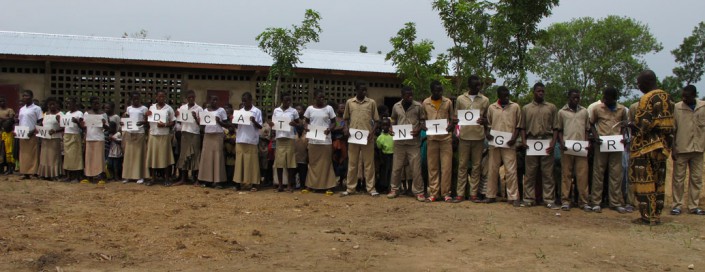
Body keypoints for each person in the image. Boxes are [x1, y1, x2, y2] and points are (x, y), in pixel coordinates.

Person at [628, 70, 675, 224]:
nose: (639, 86)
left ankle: (647, 216)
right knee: (658, 182)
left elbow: (643, 125)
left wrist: (631, 126)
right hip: (662, 147)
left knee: (644, 182)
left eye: (639, 83)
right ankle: (656, 215)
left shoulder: (647, 98)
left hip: (646, 147)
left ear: (646, 82)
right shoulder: (668, 97)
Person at [589, 87, 629, 213]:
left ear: (614, 98)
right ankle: (596, 202)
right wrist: (596, 137)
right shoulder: (597, 108)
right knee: (598, 173)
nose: (605, 100)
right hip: (602, 144)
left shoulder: (622, 109)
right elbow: (591, 124)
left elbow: (624, 125)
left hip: (616, 145)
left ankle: (615, 202)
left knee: (616, 174)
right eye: (604, 97)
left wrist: (622, 137)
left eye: (608, 98)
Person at [520, 83, 558, 208]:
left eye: (542, 91)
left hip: (547, 141)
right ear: (533, 92)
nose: (541, 93)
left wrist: (553, 143)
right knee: (530, 172)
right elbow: (523, 127)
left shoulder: (551, 107)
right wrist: (524, 141)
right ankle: (528, 198)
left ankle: (548, 199)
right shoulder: (526, 108)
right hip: (532, 142)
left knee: (547, 173)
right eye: (538, 91)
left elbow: (556, 127)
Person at [340, 81, 380, 197]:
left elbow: (376, 120)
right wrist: (346, 128)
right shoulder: (349, 102)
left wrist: (372, 133)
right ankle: (350, 188)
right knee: (352, 163)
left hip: (367, 138)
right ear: (356, 90)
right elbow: (346, 118)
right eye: (361, 90)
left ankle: (371, 188)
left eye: (365, 90)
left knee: (369, 164)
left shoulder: (371, 103)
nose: (364, 92)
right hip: (353, 137)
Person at [387, 86, 426, 201]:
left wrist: (418, 130)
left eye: (411, 94)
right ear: (402, 95)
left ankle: (419, 191)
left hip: (413, 143)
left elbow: (423, 121)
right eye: (408, 95)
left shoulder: (418, 106)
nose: (410, 97)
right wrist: (391, 128)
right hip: (399, 142)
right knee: (396, 168)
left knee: (416, 169)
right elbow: (393, 119)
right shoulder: (396, 106)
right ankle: (394, 189)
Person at [485, 86, 522, 206]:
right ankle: (490, 195)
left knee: (511, 170)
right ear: (499, 96)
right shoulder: (492, 107)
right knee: (492, 169)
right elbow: (488, 124)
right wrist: (488, 134)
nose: (506, 97)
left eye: (508, 95)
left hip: (509, 142)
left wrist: (514, 138)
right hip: (494, 143)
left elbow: (518, 125)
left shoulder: (515, 107)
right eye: (504, 95)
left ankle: (513, 196)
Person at [671, 85, 705, 216]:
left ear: (694, 95)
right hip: (682, 148)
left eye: (687, 96)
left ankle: (693, 206)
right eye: (683, 96)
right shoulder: (677, 108)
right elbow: (672, 130)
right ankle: (677, 205)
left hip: (698, 148)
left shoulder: (703, 107)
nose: (684, 98)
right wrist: (673, 148)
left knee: (696, 178)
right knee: (678, 179)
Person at [455, 75, 490, 202]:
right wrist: (456, 130)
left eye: (479, 85)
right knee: (462, 166)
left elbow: (488, 119)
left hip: (478, 137)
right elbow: (456, 117)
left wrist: (484, 121)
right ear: (469, 85)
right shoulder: (460, 99)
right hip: (464, 136)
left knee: (476, 166)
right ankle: (460, 193)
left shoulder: (485, 100)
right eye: (476, 85)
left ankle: (473, 194)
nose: (478, 87)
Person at [556, 89, 591, 211]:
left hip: (581, 148)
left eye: (578, 98)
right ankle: (565, 200)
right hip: (567, 147)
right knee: (566, 175)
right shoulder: (561, 112)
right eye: (573, 98)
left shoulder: (584, 112)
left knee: (582, 175)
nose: (576, 100)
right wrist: (561, 142)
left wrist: (586, 142)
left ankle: (583, 201)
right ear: (568, 98)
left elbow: (587, 129)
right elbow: (559, 129)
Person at [422, 81, 456, 202]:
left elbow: (453, 118)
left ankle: (446, 193)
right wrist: (424, 127)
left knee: (446, 167)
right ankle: (434, 193)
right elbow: (423, 119)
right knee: (433, 167)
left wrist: (451, 126)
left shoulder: (448, 102)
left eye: (441, 90)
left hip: (445, 139)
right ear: (432, 91)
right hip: (432, 139)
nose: (439, 93)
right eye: (437, 91)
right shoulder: (425, 103)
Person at [303, 89, 338, 194]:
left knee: (326, 163)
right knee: (313, 163)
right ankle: (311, 185)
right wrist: (306, 128)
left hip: (325, 141)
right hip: (313, 141)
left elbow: (334, 123)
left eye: (323, 97)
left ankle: (328, 186)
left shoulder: (329, 108)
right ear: (315, 98)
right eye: (319, 97)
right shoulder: (309, 109)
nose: (322, 99)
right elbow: (306, 122)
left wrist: (329, 129)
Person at [196, 95, 229, 188]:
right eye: (212, 100)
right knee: (207, 158)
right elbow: (202, 126)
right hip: (208, 136)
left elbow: (227, 125)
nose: (214, 101)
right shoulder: (205, 111)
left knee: (218, 158)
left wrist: (219, 122)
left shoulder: (221, 111)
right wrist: (197, 120)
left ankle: (218, 181)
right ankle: (207, 180)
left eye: (216, 100)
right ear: (209, 101)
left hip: (217, 136)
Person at [144, 89, 176, 186]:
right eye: (159, 96)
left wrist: (165, 125)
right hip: (153, 134)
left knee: (165, 157)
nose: (161, 98)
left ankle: (166, 179)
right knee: (154, 157)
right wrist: (146, 116)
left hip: (164, 135)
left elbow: (173, 122)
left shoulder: (168, 108)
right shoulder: (152, 107)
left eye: (163, 96)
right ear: (156, 97)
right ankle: (153, 178)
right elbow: (147, 120)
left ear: (165, 97)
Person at [233, 92, 263, 191]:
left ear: (251, 100)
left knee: (252, 163)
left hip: (251, 140)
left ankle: (254, 183)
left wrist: (254, 121)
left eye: (246, 100)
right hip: (241, 139)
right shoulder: (239, 111)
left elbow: (260, 126)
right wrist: (234, 121)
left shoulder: (257, 111)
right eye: (243, 100)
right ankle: (238, 183)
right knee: (239, 163)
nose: (244, 102)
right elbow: (236, 126)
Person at [270, 92, 300, 192]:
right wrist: (271, 125)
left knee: (290, 162)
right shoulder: (276, 110)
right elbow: (274, 123)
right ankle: (280, 185)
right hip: (279, 138)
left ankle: (290, 185)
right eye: (286, 100)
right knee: (279, 162)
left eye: (289, 100)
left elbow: (298, 123)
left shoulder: (293, 111)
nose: (288, 102)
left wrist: (294, 124)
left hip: (290, 137)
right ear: (281, 100)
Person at [175, 90, 203, 185]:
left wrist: (195, 118)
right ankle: (183, 178)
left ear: (195, 97)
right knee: (183, 155)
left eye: (192, 97)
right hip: (185, 133)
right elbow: (179, 121)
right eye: (189, 97)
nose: (191, 99)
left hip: (195, 134)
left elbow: (201, 124)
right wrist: (177, 116)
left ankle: (195, 178)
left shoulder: (199, 109)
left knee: (195, 155)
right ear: (186, 98)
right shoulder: (182, 107)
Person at [122, 92, 149, 184]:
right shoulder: (129, 108)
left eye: (137, 99)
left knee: (139, 155)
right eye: (134, 99)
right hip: (130, 133)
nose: (136, 101)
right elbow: (126, 118)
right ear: (131, 100)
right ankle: (128, 176)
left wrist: (143, 123)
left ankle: (140, 176)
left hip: (139, 133)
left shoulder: (144, 109)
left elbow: (147, 121)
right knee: (129, 155)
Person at [81, 96, 109, 184]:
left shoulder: (103, 114)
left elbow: (107, 128)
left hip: (99, 138)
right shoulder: (86, 114)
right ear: (91, 104)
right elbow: (84, 127)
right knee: (89, 158)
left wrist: (104, 124)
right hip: (89, 137)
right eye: (94, 103)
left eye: (98, 103)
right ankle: (89, 175)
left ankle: (100, 175)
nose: (96, 105)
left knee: (99, 158)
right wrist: (81, 124)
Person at [16, 90, 42, 180]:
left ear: (31, 96)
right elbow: (19, 121)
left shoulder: (37, 108)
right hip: (22, 134)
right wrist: (17, 130)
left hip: (32, 133)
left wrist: (33, 130)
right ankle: (24, 172)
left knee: (33, 153)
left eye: (26, 95)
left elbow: (40, 121)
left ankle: (32, 172)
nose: (24, 97)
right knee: (24, 154)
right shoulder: (22, 109)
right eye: (23, 96)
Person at [37, 97, 63, 180]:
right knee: (45, 156)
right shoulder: (45, 114)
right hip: (45, 138)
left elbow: (65, 127)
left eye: (53, 104)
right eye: (50, 104)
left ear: (56, 105)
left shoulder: (60, 114)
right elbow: (42, 125)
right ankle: (45, 173)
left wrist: (55, 130)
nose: (51, 106)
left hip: (55, 138)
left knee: (54, 156)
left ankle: (54, 174)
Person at [62, 97, 84, 182]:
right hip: (67, 135)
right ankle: (69, 176)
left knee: (75, 157)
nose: (68, 105)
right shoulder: (67, 113)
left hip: (75, 135)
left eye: (70, 103)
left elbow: (82, 127)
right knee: (68, 157)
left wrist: (77, 122)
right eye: (67, 104)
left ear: (74, 104)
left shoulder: (79, 113)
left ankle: (76, 176)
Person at [331, 103, 348, 187]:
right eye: (341, 108)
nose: (343, 109)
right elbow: (332, 129)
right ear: (337, 109)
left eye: (344, 108)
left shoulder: (347, 119)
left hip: (344, 142)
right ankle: (333, 181)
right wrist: (340, 129)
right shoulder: (334, 119)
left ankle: (341, 181)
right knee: (334, 161)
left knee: (343, 162)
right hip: (335, 142)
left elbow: (347, 131)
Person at [376, 118, 394, 195]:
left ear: (389, 125)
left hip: (392, 155)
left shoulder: (393, 135)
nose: (385, 127)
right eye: (384, 125)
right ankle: (383, 187)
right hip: (384, 156)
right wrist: (381, 159)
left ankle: (390, 187)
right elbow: (379, 149)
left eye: (387, 125)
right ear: (381, 126)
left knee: (391, 172)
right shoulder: (380, 137)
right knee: (384, 173)